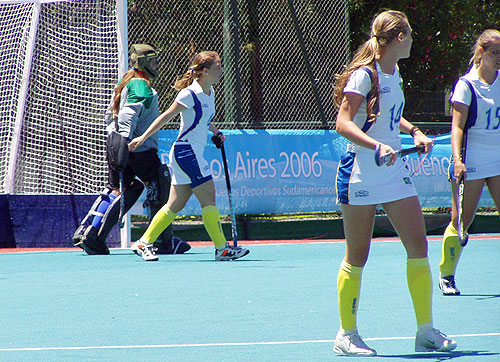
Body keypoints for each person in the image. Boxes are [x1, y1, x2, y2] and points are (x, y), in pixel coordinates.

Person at [332, 10, 457, 356]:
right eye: (411, 35)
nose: (414, 40)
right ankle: (346, 334)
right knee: (358, 255)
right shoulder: (362, 75)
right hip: (359, 169)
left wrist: (414, 131)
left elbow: (388, 115)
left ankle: (425, 331)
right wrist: (376, 145)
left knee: (418, 245)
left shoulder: (394, 72)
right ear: (399, 38)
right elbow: (343, 122)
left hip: (392, 172)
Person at [128, 51, 250, 262]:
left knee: (176, 204)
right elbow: (166, 116)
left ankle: (143, 242)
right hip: (187, 151)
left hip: (190, 152)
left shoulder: (210, 92)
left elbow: (203, 119)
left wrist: (215, 132)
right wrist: (143, 137)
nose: (221, 70)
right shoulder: (189, 94)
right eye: (217, 67)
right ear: (204, 71)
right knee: (208, 197)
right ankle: (222, 249)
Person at [72, 44, 190, 256]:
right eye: (153, 61)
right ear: (143, 63)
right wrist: (125, 142)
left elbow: (110, 117)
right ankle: (162, 241)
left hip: (117, 145)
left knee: (122, 189)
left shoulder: (125, 81)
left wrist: (115, 143)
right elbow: (128, 117)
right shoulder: (140, 86)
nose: (157, 65)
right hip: (138, 149)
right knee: (159, 183)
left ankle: (91, 233)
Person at [439, 29, 500, 296]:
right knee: (461, 220)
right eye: (495, 52)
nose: (499, 57)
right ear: (482, 53)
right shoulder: (466, 85)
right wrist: (458, 160)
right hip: (473, 160)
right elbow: (457, 127)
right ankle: (446, 275)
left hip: (497, 159)